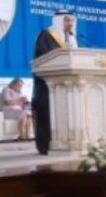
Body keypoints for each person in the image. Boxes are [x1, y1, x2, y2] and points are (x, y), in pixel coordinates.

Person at [31, 10, 77, 155]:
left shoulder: (72, 38)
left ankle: (66, 142)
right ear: (59, 21)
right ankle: (45, 145)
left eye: (72, 20)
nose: (70, 23)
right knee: (47, 115)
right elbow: (42, 58)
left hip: (67, 85)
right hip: (47, 85)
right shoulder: (46, 35)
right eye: (67, 20)